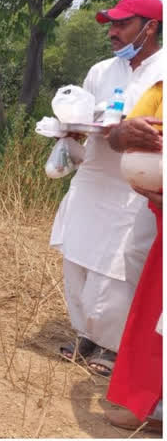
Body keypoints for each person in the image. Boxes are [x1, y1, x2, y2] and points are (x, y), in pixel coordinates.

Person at [51, 0, 163, 376]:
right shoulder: (100, 72)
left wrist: (130, 132)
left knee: (115, 268)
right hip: (94, 175)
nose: (113, 32)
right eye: (111, 25)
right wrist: (66, 130)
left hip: (132, 187)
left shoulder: (162, 72)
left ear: (150, 28)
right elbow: (86, 124)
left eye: (122, 24)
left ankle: (114, 345)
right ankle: (85, 333)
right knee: (78, 256)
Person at [104, 79, 162, 433]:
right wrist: (123, 133)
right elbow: (115, 139)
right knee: (154, 307)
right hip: (159, 208)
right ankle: (151, 401)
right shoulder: (160, 89)